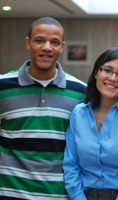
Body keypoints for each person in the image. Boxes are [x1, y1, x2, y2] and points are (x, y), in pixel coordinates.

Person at [0, 17, 86, 200]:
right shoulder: (2, 86)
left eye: (54, 42)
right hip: (10, 194)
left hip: (59, 195)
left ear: (62, 47)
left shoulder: (80, 92)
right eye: (39, 40)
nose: (47, 47)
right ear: (27, 43)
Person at [63, 47, 118, 200]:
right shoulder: (79, 114)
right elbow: (70, 165)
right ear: (96, 73)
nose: (113, 78)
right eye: (107, 70)